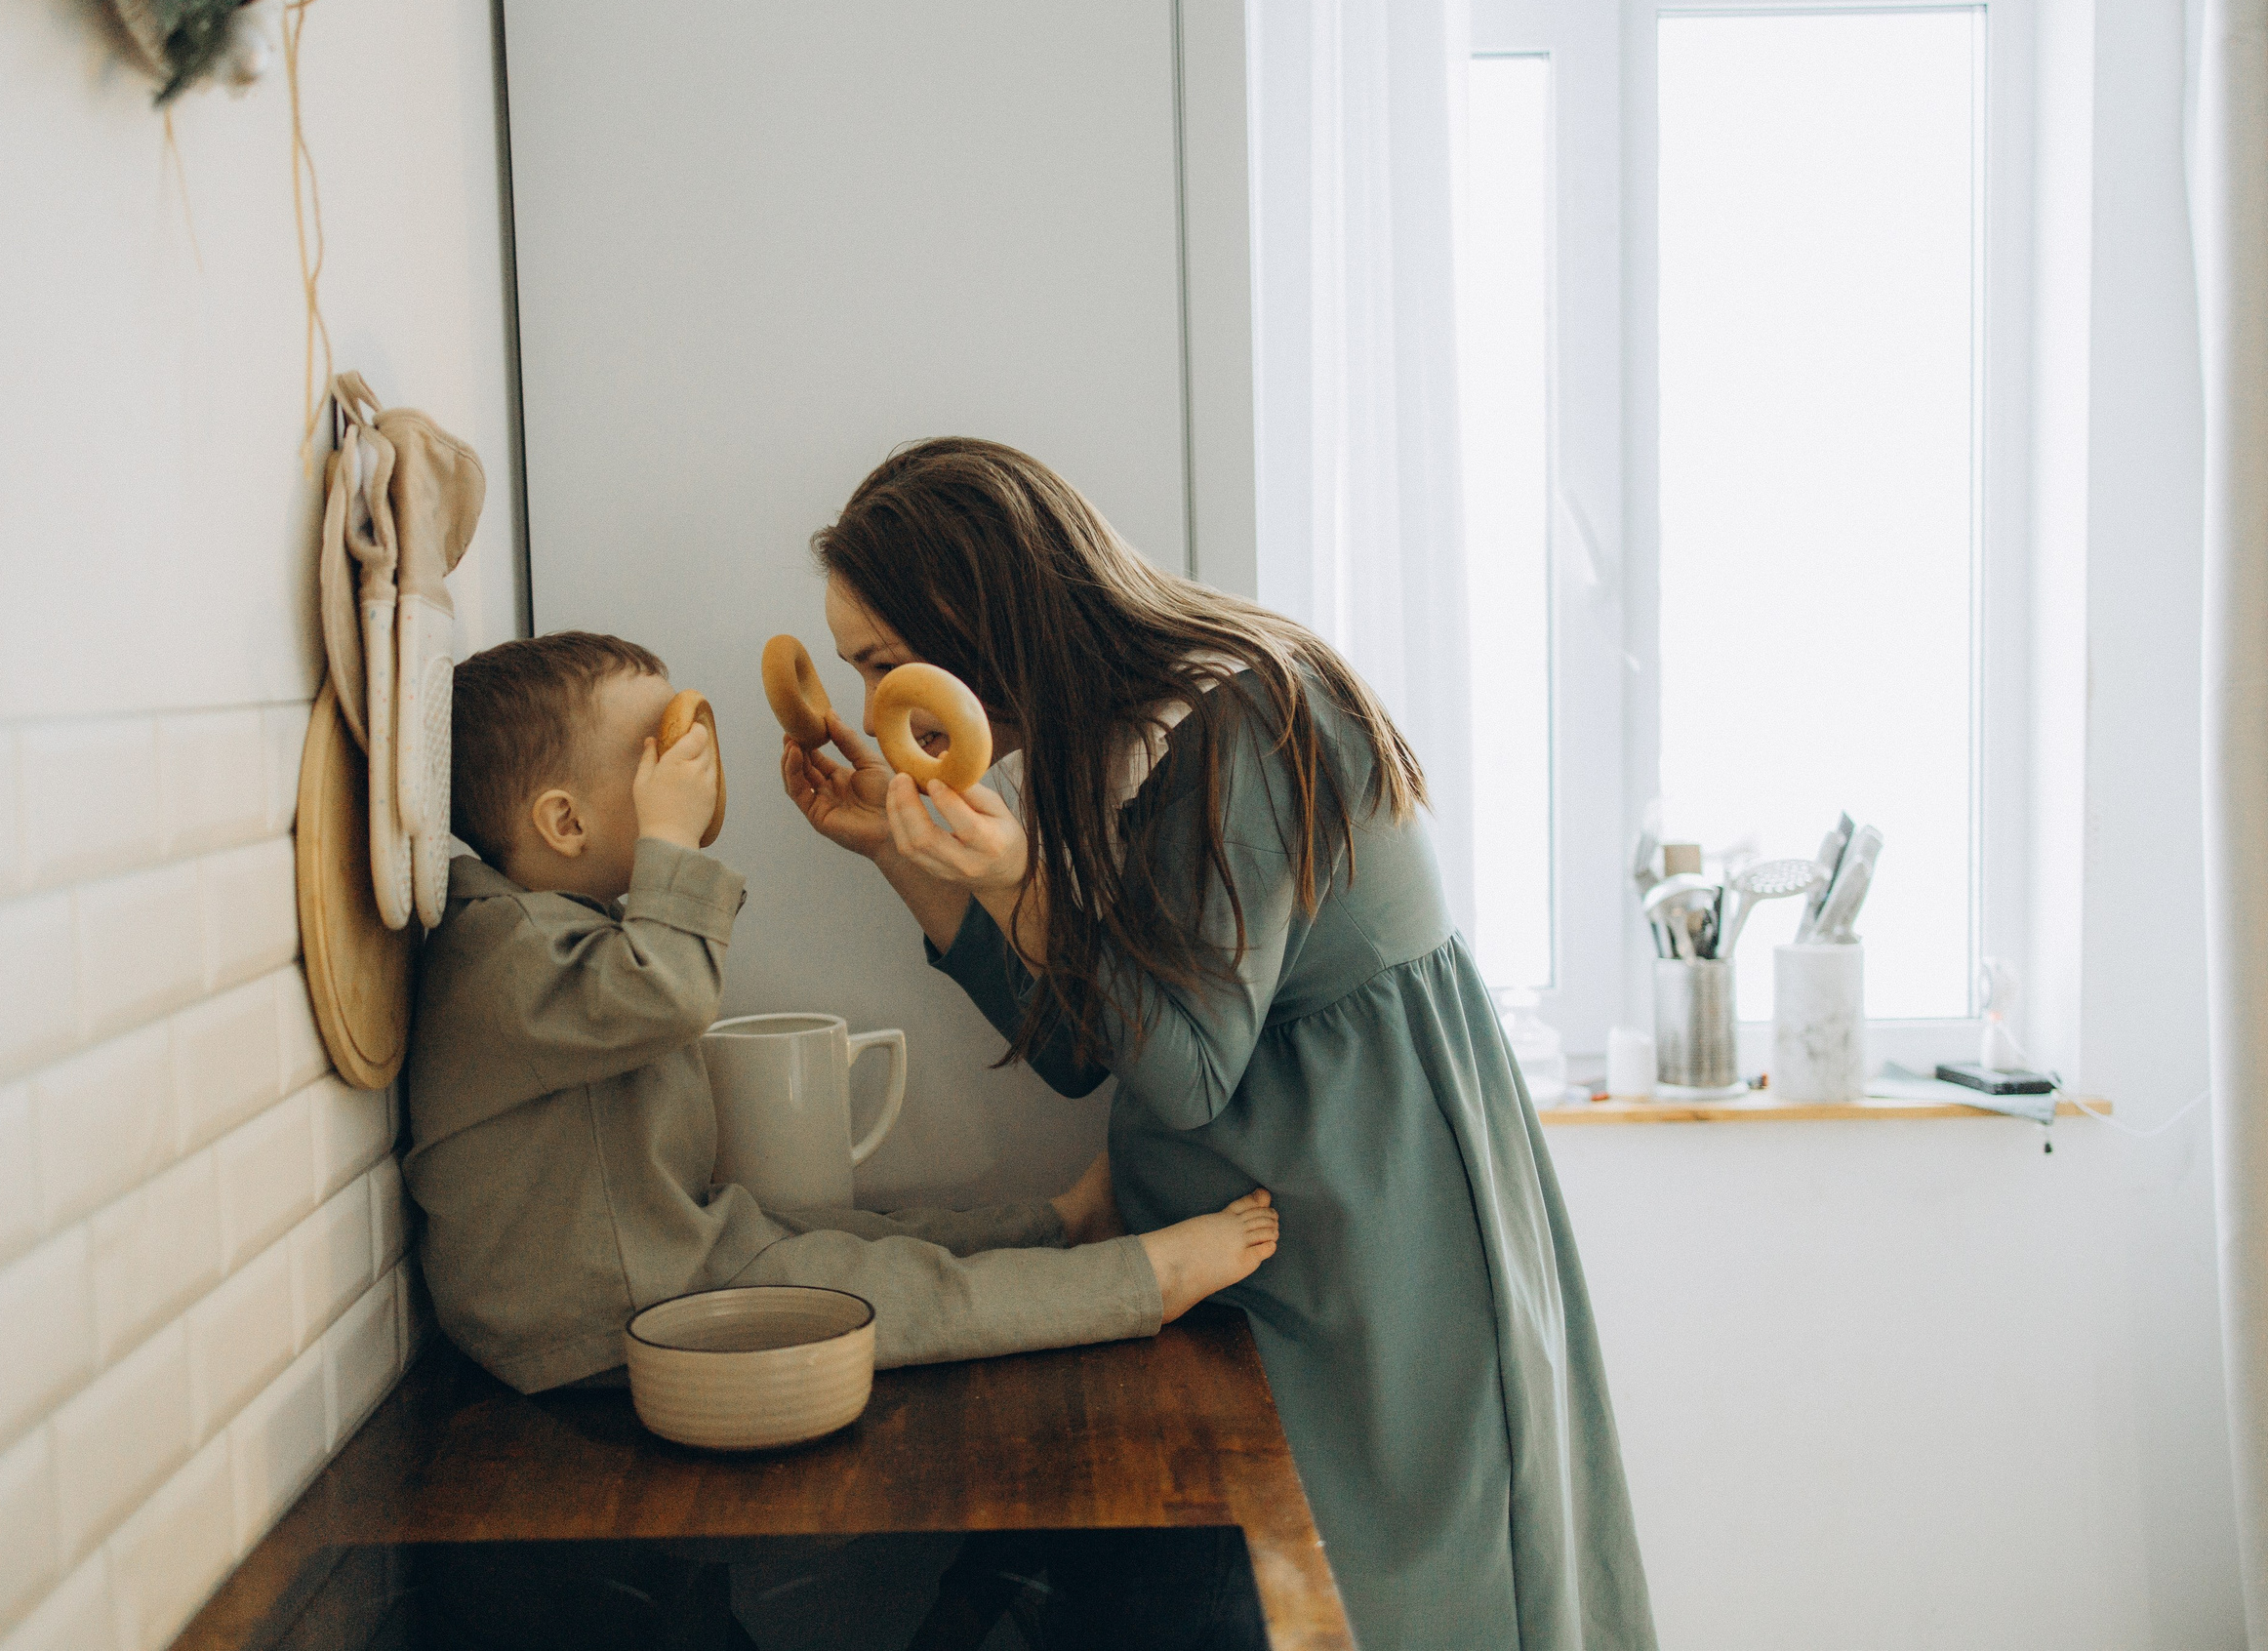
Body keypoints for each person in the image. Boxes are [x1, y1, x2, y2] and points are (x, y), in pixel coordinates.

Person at [781, 441, 1657, 1651]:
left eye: (884, 662)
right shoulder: (1111, 743)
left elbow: (1186, 1073)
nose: (882, 700)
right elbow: (1086, 1051)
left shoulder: (1254, 716)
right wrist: (902, 856)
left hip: (1367, 1230)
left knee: (1393, 1592)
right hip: (1259, 1238)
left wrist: (1020, 872)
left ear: (969, 622)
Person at [402, 630, 1280, 1395]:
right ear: (563, 822)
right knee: (900, 1293)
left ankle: (1061, 1224)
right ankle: (1138, 1283)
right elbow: (667, 993)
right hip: (602, 1310)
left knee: (860, 1232)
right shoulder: (502, 950)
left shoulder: (532, 926)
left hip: (651, 1254)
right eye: (653, 753)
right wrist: (670, 836)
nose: (690, 765)